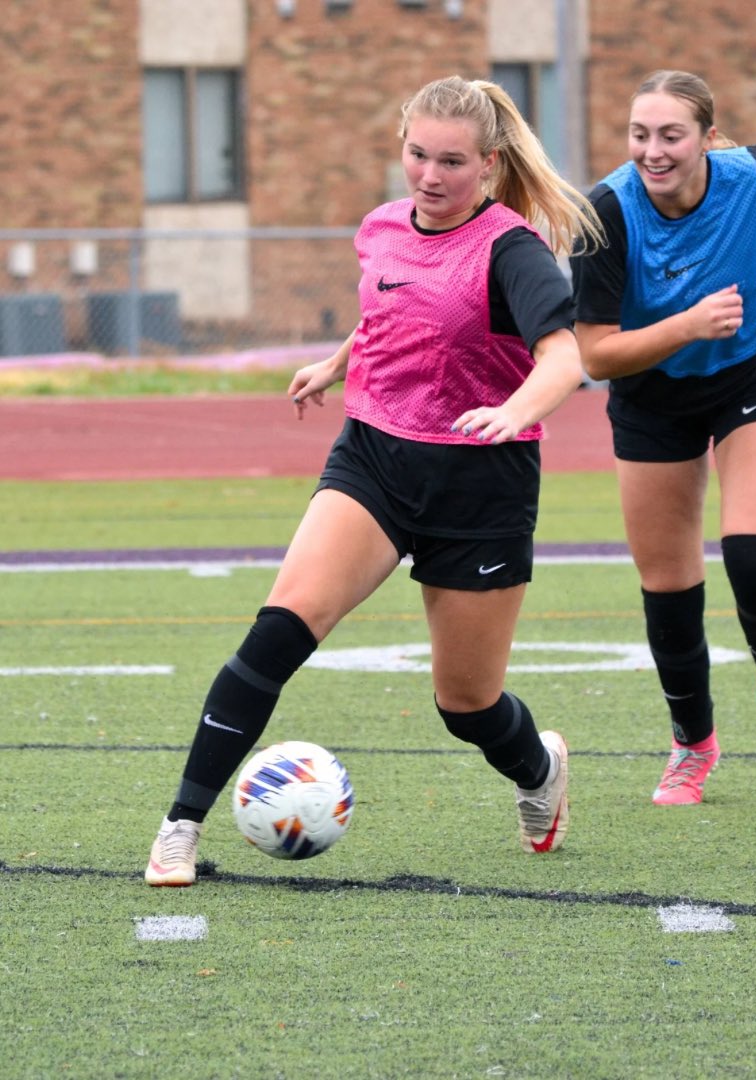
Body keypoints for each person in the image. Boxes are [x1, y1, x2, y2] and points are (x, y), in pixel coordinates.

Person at [146, 75, 605, 885]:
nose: (429, 175)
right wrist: (334, 361)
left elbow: (565, 356)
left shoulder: (513, 252)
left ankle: (539, 769)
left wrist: (514, 409)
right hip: (375, 460)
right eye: (417, 154)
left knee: (466, 706)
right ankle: (180, 826)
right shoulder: (381, 227)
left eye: (452, 162)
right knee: (277, 632)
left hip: (482, 484)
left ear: (490, 166)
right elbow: (392, 310)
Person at [570, 69, 756, 805]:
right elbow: (596, 354)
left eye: (671, 135)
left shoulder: (752, 176)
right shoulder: (604, 213)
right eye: (640, 134)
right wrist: (684, 326)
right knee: (669, 587)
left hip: (751, 376)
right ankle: (693, 747)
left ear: (706, 136)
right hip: (651, 397)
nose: (653, 150)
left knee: (753, 550)